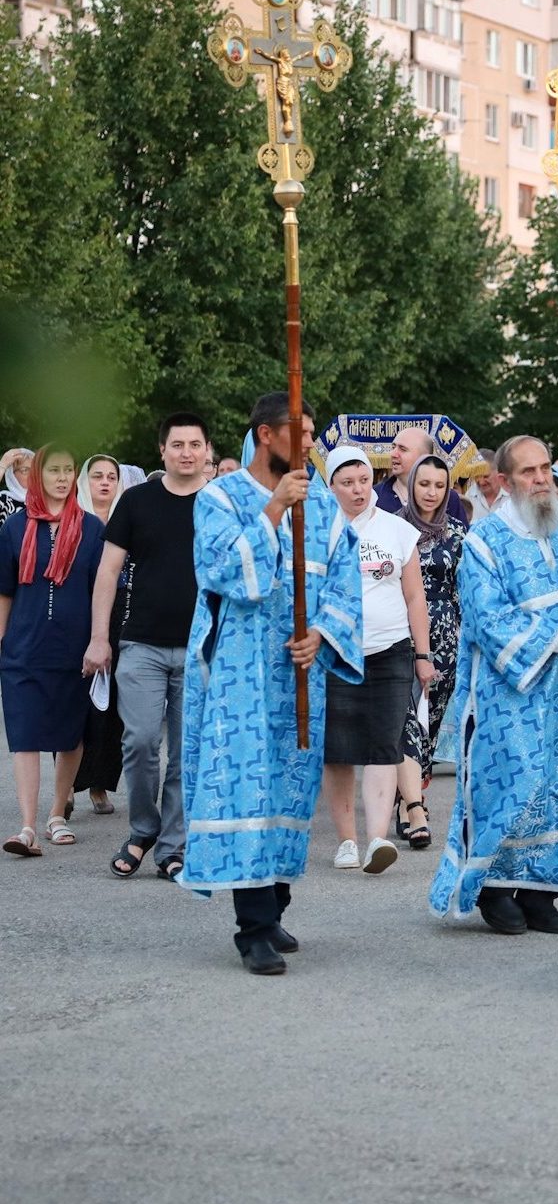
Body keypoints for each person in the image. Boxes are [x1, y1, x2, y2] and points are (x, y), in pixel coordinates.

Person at [179, 393, 363, 974]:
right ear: (265, 435)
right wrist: (274, 512)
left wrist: (325, 635)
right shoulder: (221, 498)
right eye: (299, 432)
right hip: (242, 676)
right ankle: (252, 927)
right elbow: (222, 573)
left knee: (290, 791)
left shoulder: (327, 509)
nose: (309, 443)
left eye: (313, 433)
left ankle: (276, 905)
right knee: (247, 789)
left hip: (300, 673)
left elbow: (345, 582)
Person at [430, 435, 558, 935]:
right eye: (528, 472)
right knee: (514, 783)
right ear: (505, 483)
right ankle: (493, 888)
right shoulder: (485, 540)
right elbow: (488, 620)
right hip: (513, 688)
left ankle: (543, 893)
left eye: (546, 469)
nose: (541, 480)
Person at [83, 413, 209, 881]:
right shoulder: (136, 501)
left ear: (207, 450)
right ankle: (142, 828)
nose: (186, 452)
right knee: (138, 741)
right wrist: (100, 638)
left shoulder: (217, 503)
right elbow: (108, 573)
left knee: (184, 753)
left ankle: (171, 846)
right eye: (177, 444)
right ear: (162, 451)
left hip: (201, 647)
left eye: (194, 444)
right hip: (140, 644)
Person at [320, 446, 432, 874]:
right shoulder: (318, 531)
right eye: (347, 483)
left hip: (390, 649)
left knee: (386, 742)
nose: (357, 490)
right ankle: (347, 839)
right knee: (339, 750)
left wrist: (422, 654)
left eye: (363, 481)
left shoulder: (396, 530)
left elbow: (414, 596)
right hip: (335, 650)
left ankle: (378, 838)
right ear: (331, 486)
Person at [0, 445, 107, 857]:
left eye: (68, 470)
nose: (61, 478)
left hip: (73, 647)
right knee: (24, 735)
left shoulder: (92, 529)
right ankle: (26, 825)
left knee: (69, 735)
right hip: (22, 647)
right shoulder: (15, 526)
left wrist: (101, 639)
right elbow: (5, 589)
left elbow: (102, 588)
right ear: (37, 476)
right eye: (53, 470)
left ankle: (56, 814)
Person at [397, 454, 468, 846]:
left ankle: (408, 792)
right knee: (405, 718)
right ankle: (413, 807)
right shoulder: (394, 528)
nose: (431, 492)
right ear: (412, 485)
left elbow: (465, 591)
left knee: (430, 723)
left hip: (447, 639)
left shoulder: (457, 534)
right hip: (400, 634)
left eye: (439, 486)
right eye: (424, 484)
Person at [72, 455, 127, 816]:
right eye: (97, 476)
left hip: (121, 614)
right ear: (84, 482)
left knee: (113, 708)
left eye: (111, 477)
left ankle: (99, 784)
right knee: (76, 705)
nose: (104, 483)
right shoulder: (72, 524)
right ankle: (67, 786)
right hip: (76, 616)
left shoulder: (127, 521)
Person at [376, 426, 467, 525]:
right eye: (393, 447)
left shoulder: (449, 498)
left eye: (402, 449)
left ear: (424, 456)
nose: (393, 454)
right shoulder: (375, 495)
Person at [0, 447, 34, 527]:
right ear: (12, 476)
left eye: (34, 470)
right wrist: (2, 466)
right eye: (25, 470)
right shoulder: (4, 500)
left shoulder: (46, 501)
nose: (32, 474)